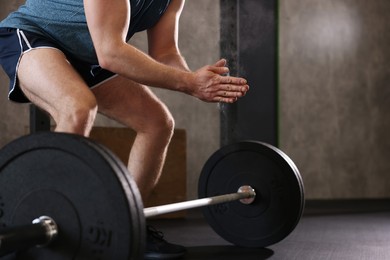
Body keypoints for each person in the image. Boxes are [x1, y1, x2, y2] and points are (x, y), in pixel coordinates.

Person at [0, 0, 249, 258]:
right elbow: (110, 53)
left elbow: (165, 53)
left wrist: (195, 79)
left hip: (87, 54)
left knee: (157, 123)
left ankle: (128, 225)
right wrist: (189, 83)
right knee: (78, 108)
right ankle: (42, 214)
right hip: (32, 36)